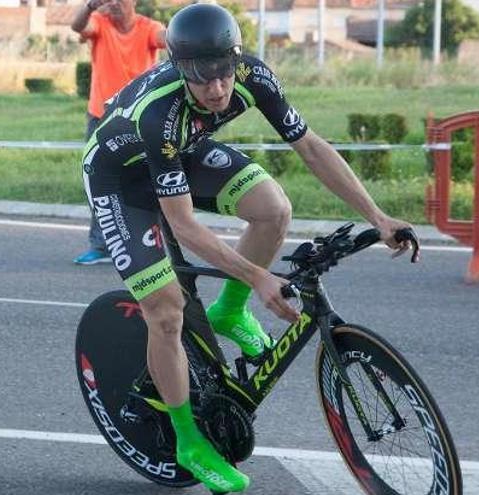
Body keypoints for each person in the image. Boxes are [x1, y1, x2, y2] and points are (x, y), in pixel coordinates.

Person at [80, 4, 416, 492]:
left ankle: (229, 311)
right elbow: (186, 226)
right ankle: (188, 441)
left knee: (274, 210)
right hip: (120, 182)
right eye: (202, 79)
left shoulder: (254, 75)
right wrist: (259, 276)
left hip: (181, 153)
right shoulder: (161, 111)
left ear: (236, 61)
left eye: (224, 74)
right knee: (167, 311)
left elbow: (311, 148)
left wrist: (379, 217)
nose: (217, 89)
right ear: (180, 69)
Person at [70, 0, 166, 265]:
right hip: (101, 116)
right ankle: (100, 246)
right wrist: (90, 6)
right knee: (98, 180)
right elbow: (77, 25)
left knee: (147, 179)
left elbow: (166, 37)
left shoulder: (148, 28)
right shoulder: (100, 24)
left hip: (138, 118)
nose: (112, 3)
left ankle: (150, 243)